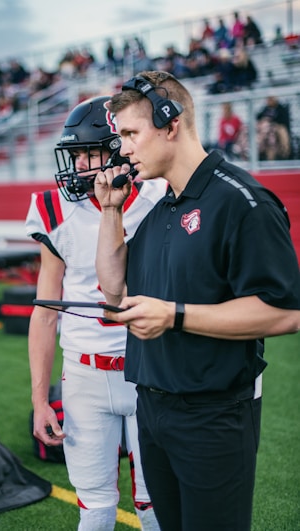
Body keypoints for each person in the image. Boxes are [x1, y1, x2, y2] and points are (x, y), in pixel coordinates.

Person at [94, 70, 300, 531]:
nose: (122, 148)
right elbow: (113, 292)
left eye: (130, 133)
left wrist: (174, 315)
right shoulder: (160, 207)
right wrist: (110, 210)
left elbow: (286, 312)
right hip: (153, 408)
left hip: (213, 415)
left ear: (171, 124)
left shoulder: (242, 201)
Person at [25, 95, 165, 531]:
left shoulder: (160, 196)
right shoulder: (55, 209)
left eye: (90, 153)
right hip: (84, 374)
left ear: (120, 150)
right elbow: (46, 311)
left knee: (154, 504)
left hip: (151, 370)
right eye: (75, 155)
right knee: (96, 506)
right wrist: (38, 398)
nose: (80, 165)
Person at [256, 95, 292, 160]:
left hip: (275, 130)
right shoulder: (265, 109)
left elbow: (283, 121)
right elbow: (258, 118)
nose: (269, 101)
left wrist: (271, 123)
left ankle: (285, 151)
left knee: (276, 134)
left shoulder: (281, 109)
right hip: (265, 133)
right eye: (268, 99)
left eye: (271, 99)